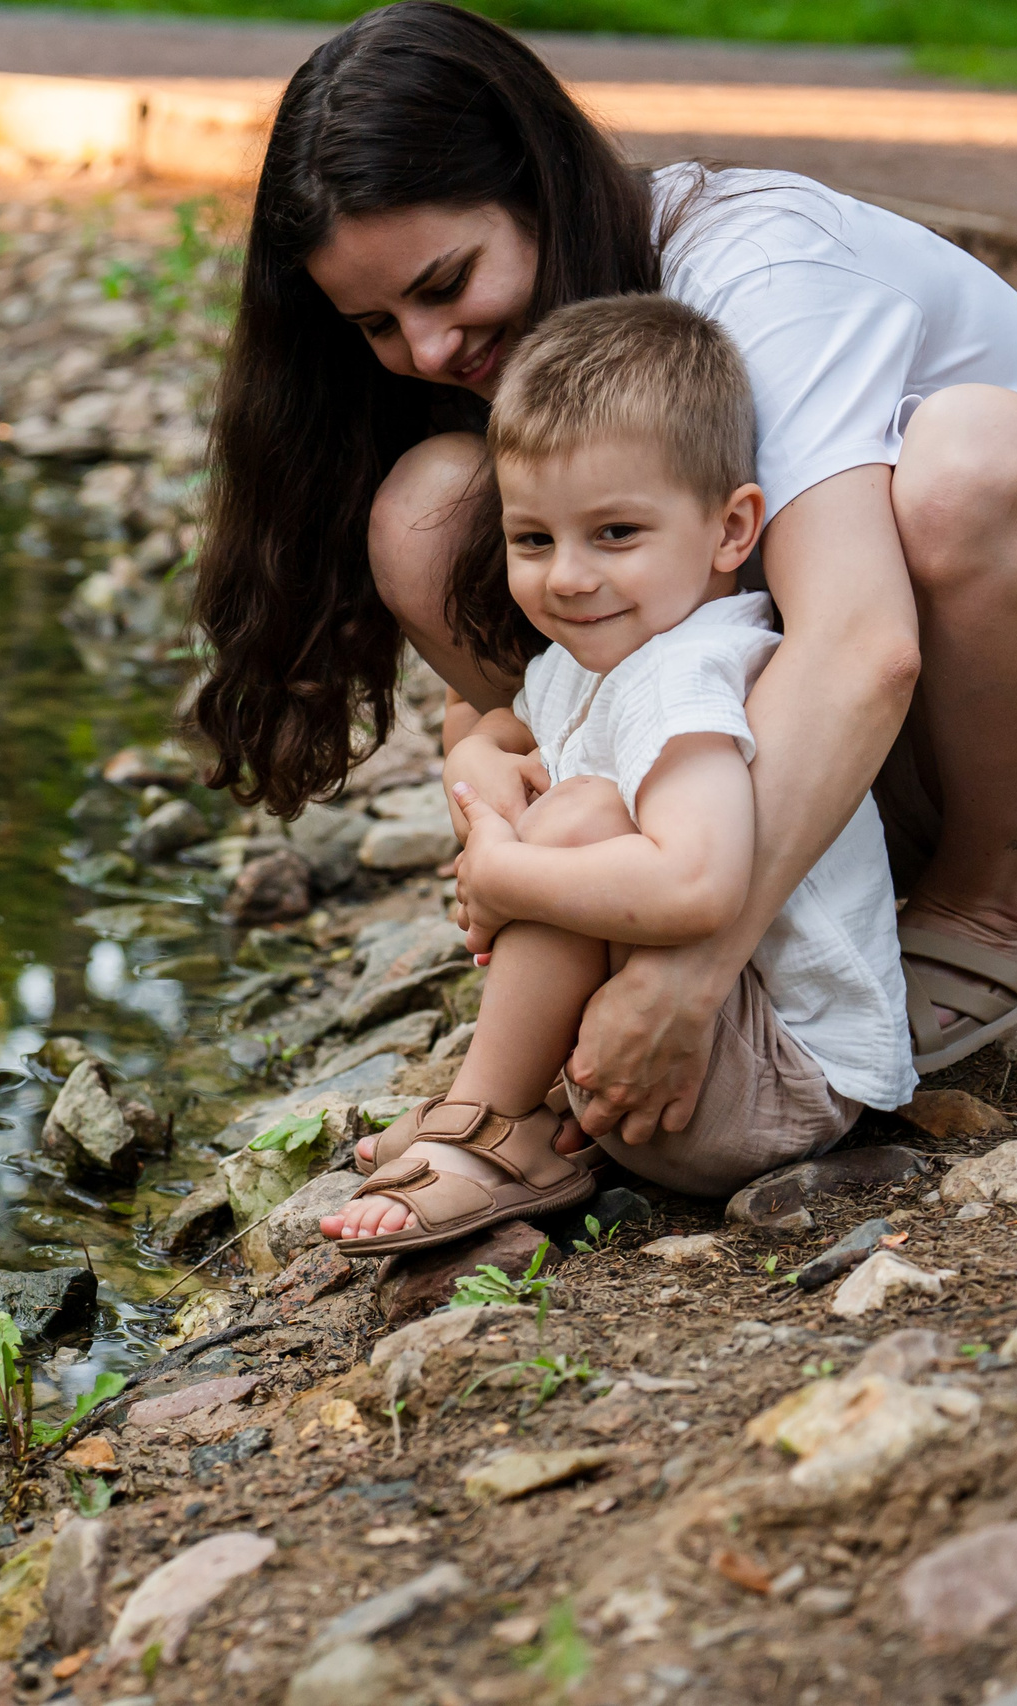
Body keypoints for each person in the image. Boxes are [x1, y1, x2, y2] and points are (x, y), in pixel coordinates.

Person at [192, 3, 1017, 1165]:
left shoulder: (754, 264)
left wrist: (685, 980)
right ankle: (681, 888)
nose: (431, 349)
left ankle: (991, 911)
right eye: (377, 323)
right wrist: (488, 742)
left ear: (540, 179)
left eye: (446, 284)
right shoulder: (517, 339)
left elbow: (861, 643)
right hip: (835, 759)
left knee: (962, 471)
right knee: (427, 511)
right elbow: (584, 614)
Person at [321, 296, 912, 1249]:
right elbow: (508, 734)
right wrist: (476, 762)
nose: (567, 578)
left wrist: (509, 872)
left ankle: (490, 1124)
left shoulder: (688, 676)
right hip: (695, 1050)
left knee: (582, 815)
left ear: (731, 531)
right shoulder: (604, 654)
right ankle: (514, 1114)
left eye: (616, 534)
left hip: (783, 1081)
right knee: (562, 806)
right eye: (534, 540)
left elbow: (699, 882)